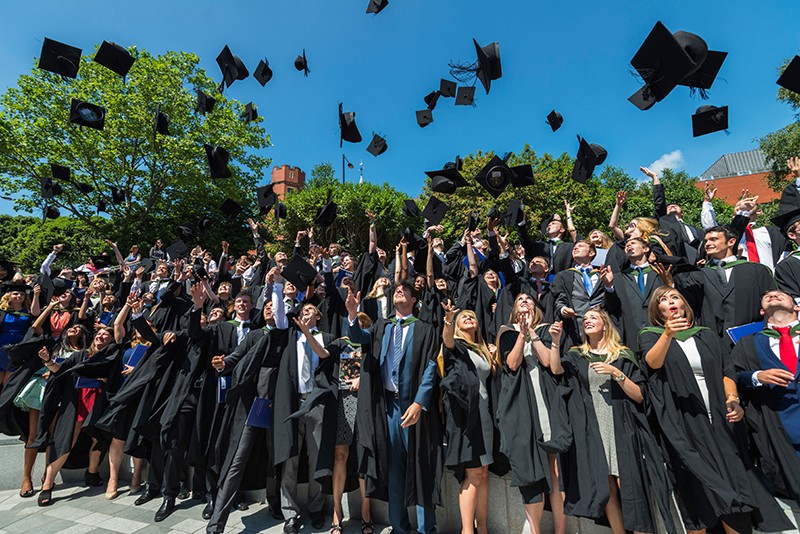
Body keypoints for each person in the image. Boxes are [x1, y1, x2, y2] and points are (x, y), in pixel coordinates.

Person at [640, 286, 792, 533]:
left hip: (719, 421)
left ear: (684, 304)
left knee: (734, 487)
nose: (671, 301)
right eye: (664, 300)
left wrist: (733, 400)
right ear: (658, 310)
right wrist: (667, 334)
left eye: (675, 297)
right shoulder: (650, 335)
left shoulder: (707, 335)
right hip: (685, 424)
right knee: (697, 492)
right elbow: (652, 363)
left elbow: (726, 371)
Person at [549, 308, 674, 533]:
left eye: (593, 318)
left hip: (621, 425)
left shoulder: (623, 355)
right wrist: (556, 342)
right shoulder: (578, 355)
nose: (587, 321)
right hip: (594, 427)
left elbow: (639, 395)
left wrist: (615, 373)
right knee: (606, 484)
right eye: (584, 319)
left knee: (628, 484)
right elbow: (556, 370)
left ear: (605, 324)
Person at [345, 281, 443, 534]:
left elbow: (432, 366)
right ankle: (399, 526)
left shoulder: (424, 329)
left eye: (404, 291)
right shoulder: (382, 326)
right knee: (394, 469)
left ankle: (425, 528)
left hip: (413, 407)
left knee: (420, 466)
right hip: (388, 407)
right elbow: (358, 339)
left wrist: (420, 402)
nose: (398, 292)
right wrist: (353, 315)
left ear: (413, 301)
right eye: (396, 290)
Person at [495, 293, 568, 534]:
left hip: (544, 400)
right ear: (514, 309)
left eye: (529, 299)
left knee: (554, 469)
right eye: (520, 300)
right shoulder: (507, 332)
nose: (525, 301)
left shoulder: (546, 330)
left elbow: (548, 361)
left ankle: (560, 529)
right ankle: (535, 528)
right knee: (529, 468)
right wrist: (522, 334)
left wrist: (534, 333)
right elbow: (513, 363)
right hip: (521, 406)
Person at [35, 325, 122, 506]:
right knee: (66, 440)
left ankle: (92, 473)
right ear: (93, 338)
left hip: (100, 402)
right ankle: (47, 485)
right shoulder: (80, 356)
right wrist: (47, 361)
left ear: (112, 340)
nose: (102, 336)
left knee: (98, 439)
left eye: (106, 334)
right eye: (99, 333)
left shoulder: (113, 357)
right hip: (79, 402)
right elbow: (60, 370)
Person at [731, 289, 800, 502]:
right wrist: (758, 375)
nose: (773, 295)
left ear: (796, 306)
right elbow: (734, 376)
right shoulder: (749, 343)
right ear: (762, 311)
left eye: (781, 294)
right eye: (767, 296)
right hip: (782, 438)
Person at [439, 303, 501, 534]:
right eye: (463, 317)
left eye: (471, 316)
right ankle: (467, 530)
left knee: (483, 474)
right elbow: (447, 341)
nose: (468, 318)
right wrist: (448, 319)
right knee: (473, 474)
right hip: (467, 419)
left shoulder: (481, 349)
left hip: (485, 417)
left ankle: (482, 528)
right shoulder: (457, 347)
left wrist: (493, 358)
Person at [675, 225, 776, 344]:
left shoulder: (756, 270)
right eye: (706, 241)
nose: (707, 244)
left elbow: (772, 305)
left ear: (731, 242)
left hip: (751, 340)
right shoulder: (698, 274)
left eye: (713, 239)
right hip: (713, 344)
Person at [329, 312, 373, 534]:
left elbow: (377, 370)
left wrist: (362, 378)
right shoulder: (339, 344)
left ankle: (366, 510)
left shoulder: (371, 345)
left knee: (363, 455)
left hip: (364, 403)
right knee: (340, 455)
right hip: (342, 402)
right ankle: (337, 511)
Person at [551, 240, 614, 347]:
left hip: (602, 330)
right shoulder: (564, 276)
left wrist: (608, 286)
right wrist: (563, 309)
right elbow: (559, 298)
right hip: (575, 330)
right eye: (574, 247)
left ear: (591, 253)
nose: (575, 248)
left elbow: (613, 304)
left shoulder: (602, 275)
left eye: (580, 246)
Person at [0, 283, 40, 387]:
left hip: (18, 346)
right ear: (9, 295)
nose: (19, 296)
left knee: (8, 381)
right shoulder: (3, 311)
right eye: (15, 293)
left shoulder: (27, 311)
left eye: (22, 294)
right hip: (2, 345)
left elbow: (36, 314)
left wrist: (36, 295)